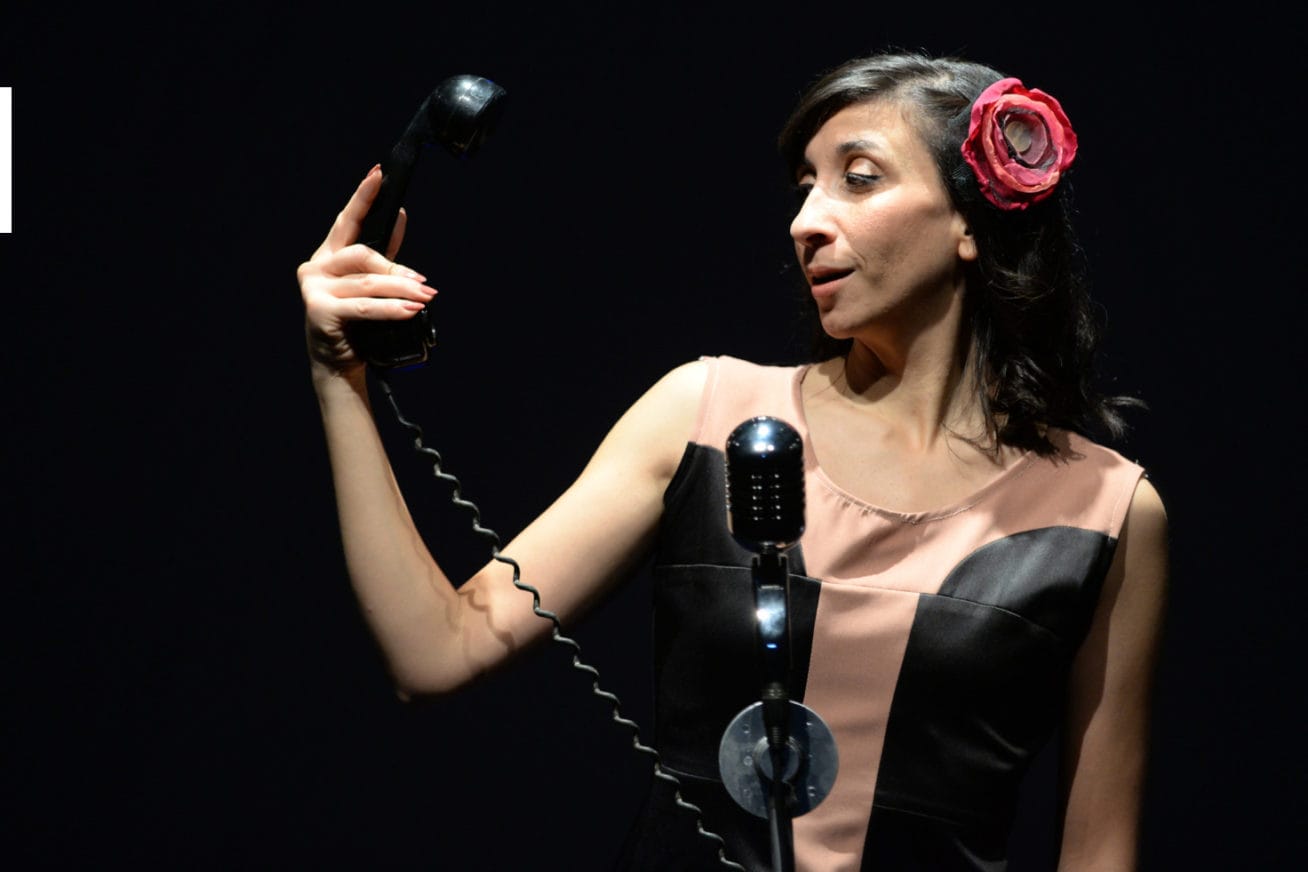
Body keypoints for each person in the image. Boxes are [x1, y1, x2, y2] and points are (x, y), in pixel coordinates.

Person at [297, 50, 1169, 871]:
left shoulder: (1106, 512)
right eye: (805, 187)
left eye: (859, 178)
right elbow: (435, 650)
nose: (806, 222)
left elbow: (1101, 854)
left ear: (969, 222)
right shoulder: (705, 415)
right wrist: (340, 377)